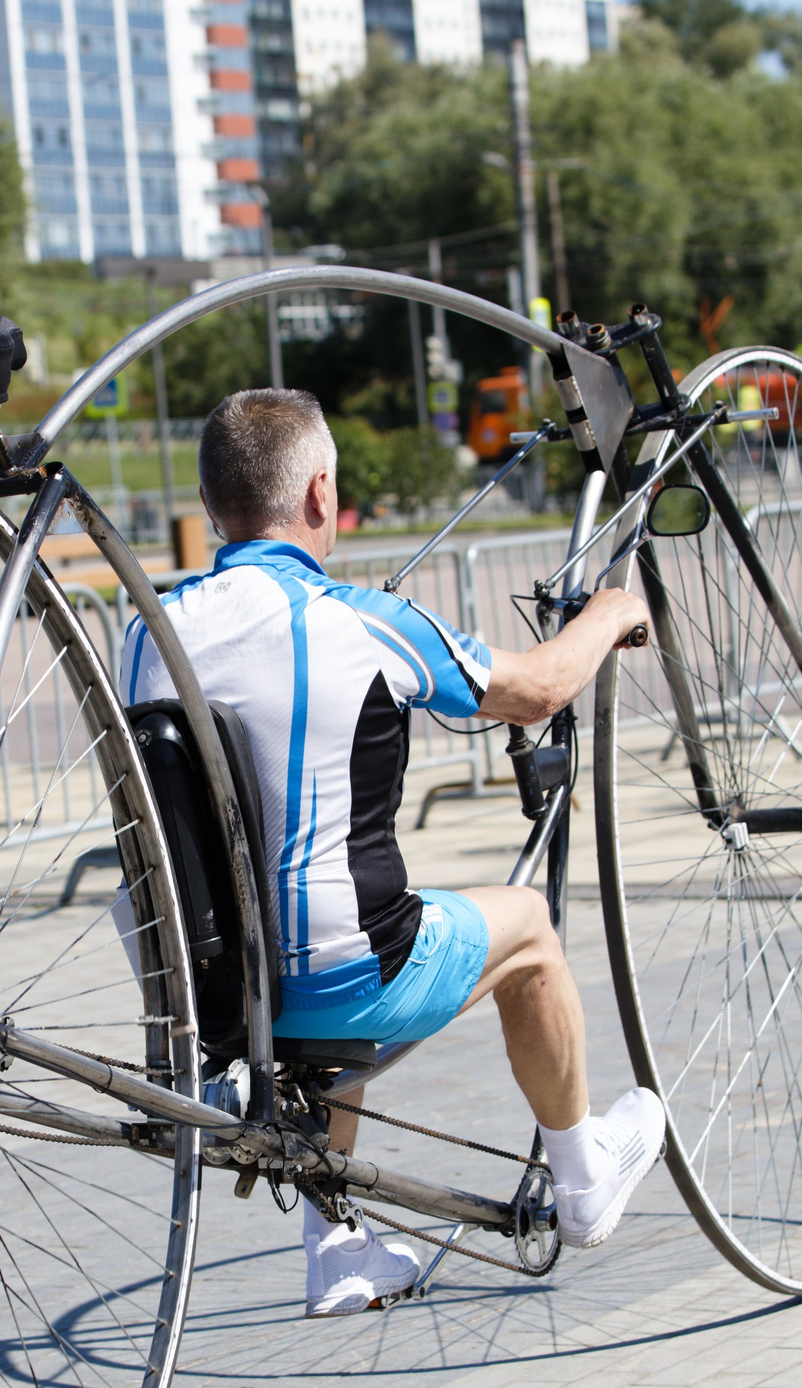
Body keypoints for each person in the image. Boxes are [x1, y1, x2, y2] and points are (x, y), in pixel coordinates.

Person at [118, 389, 667, 1318]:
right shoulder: (360, 620)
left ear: (211, 506)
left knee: (316, 936)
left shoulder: (142, 634)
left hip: (209, 994)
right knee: (525, 926)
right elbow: (535, 690)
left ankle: (336, 1244)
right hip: (342, 980)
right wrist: (610, 614)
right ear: (322, 494)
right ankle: (584, 1177)